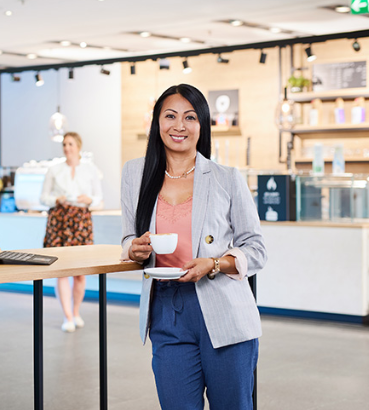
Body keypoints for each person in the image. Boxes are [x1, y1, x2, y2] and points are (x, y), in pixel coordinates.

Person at [120, 84, 266, 409]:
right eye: (170, 116)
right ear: (157, 122)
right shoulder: (135, 174)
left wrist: (214, 264)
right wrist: (133, 249)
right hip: (166, 310)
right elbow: (128, 237)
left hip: (223, 307)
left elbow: (256, 249)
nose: (179, 126)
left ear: (202, 125)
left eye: (190, 117)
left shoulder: (226, 178)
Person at [40, 132, 103, 333]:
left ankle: (76, 312)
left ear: (78, 146)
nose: (67, 148)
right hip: (59, 221)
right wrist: (56, 200)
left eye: (70, 144)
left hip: (81, 222)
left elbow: (99, 200)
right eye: (65, 144)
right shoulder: (54, 170)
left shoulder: (90, 170)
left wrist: (89, 200)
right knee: (61, 271)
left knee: (80, 273)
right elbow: (43, 197)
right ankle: (67, 316)